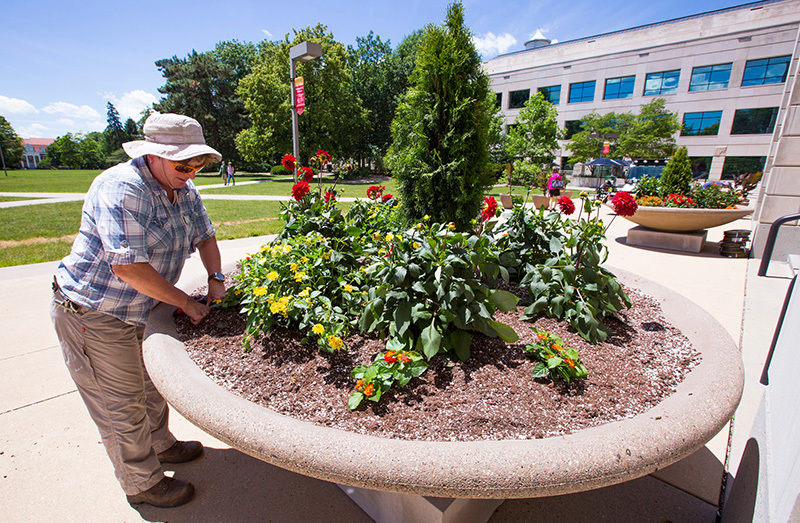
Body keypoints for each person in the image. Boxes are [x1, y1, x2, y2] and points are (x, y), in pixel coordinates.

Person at [50, 113, 227, 509]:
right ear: (153, 156)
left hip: (142, 308)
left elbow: (206, 236)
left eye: (199, 163)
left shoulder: (184, 190)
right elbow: (127, 267)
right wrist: (184, 301)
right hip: (95, 313)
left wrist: (215, 279)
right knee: (121, 403)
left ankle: (160, 444)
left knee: (151, 385)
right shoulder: (120, 188)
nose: (192, 171)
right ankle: (141, 482)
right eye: (184, 164)